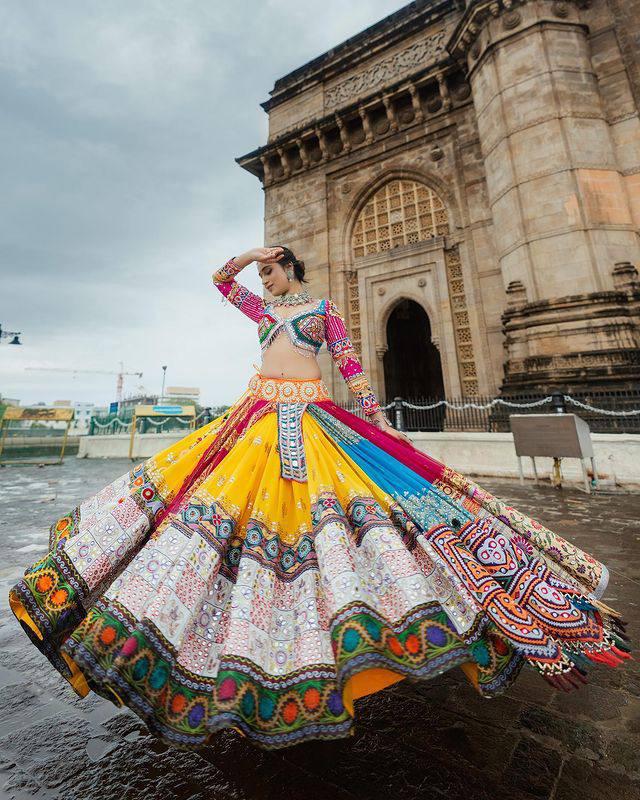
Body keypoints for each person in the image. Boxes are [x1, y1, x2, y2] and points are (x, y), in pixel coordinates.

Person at [8, 245, 632, 752]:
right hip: (253, 423)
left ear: (293, 270)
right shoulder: (263, 313)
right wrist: (252, 253)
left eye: (272, 270)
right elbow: (217, 279)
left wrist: (375, 417)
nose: (264, 279)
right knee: (212, 520)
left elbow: (353, 366)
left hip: (310, 424)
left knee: (337, 525)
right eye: (263, 274)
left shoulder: (320, 313)